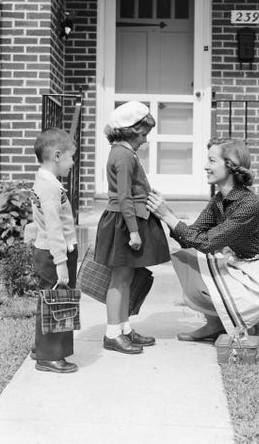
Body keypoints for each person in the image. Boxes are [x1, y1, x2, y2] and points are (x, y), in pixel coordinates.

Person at [147, 139, 259, 347]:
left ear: (230, 165)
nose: (206, 166)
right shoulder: (219, 200)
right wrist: (167, 213)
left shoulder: (248, 205)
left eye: (212, 161)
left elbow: (207, 243)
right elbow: (191, 236)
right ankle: (215, 325)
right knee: (188, 259)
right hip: (244, 266)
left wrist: (167, 217)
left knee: (205, 268)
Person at [94, 101, 170, 355]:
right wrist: (134, 231)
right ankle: (112, 333)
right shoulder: (124, 156)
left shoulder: (123, 152)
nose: (146, 140)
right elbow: (124, 197)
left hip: (126, 220)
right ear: (130, 131)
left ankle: (124, 328)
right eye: (143, 134)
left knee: (126, 277)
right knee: (119, 279)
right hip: (123, 223)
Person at [31, 127, 78, 373]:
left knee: (47, 300)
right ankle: (49, 356)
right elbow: (53, 227)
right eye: (71, 157)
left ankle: (42, 348)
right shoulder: (50, 188)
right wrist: (61, 260)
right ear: (57, 156)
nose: (73, 162)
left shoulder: (44, 180)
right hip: (54, 253)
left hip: (48, 251)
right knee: (56, 303)